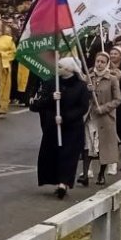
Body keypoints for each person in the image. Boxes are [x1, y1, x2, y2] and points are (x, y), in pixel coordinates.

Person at [30, 56, 93, 199]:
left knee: (68, 155)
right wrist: (52, 98)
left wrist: (65, 118)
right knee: (54, 154)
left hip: (72, 127)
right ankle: (56, 179)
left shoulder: (80, 86)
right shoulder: (52, 83)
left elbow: (83, 107)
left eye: (61, 66)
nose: (57, 69)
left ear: (69, 69)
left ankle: (64, 184)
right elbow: (37, 104)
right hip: (53, 127)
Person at [82, 50, 121, 187]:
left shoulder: (112, 79)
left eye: (102, 62)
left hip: (105, 118)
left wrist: (104, 108)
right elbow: (81, 96)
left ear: (107, 64)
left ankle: (101, 174)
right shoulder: (89, 77)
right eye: (97, 61)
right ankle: (85, 173)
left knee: (102, 146)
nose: (99, 64)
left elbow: (118, 100)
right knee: (88, 144)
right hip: (90, 116)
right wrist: (87, 90)